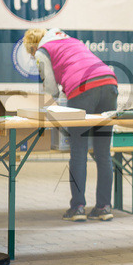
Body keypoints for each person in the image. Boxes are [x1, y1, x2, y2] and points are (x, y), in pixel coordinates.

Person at [22, 28, 118, 222]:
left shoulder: (42, 51)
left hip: (82, 88)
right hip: (109, 83)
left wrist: (57, 106)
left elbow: (50, 88)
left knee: (79, 151)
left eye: (31, 54)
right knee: (103, 152)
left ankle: (78, 207)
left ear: (33, 48)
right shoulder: (70, 41)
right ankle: (104, 207)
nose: (33, 58)